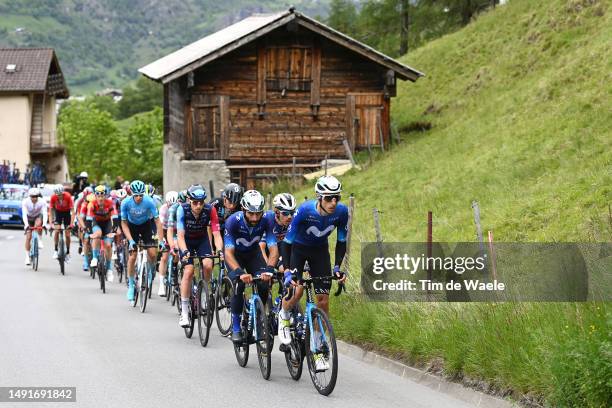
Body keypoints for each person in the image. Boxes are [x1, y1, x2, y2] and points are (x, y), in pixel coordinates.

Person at [278, 176, 348, 370]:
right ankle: (283, 315)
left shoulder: (342, 212)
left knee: (323, 300)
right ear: (319, 198)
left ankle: (317, 345)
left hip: (320, 251)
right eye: (329, 198)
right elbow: (287, 242)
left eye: (337, 197)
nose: (333, 202)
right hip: (298, 250)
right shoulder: (304, 210)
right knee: (297, 291)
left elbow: (341, 241)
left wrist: (337, 268)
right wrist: (288, 272)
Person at [224, 190, 278, 343]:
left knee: (263, 282)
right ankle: (235, 327)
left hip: (253, 253)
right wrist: (240, 272)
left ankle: (258, 313)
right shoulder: (233, 221)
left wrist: (269, 269)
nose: (255, 218)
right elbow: (228, 253)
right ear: (243, 210)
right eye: (251, 214)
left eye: (258, 214)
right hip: (235, 255)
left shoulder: (267, 219)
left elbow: (273, 249)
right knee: (238, 285)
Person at [176, 185, 223, 327]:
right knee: (189, 271)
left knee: (208, 264)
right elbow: (180, 236)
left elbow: (216, 234)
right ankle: (184, 313)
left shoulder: (210, 210)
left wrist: (220, 250)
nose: (198, 206)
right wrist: (184, 251)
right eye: (195, 202)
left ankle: (204, 291)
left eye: (201, 202)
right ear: (189, 200)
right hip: (187, 241)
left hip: (202, 240)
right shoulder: (182, 209)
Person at [120, 180, 164, 302]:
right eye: (136, 195)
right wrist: (130, 240)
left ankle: (149, 271)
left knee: (153, 253)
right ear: (132, 194)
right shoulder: (125, 203)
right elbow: (123, 223)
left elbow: (157, 221)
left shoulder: (149, 201)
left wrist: (160, 240)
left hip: (146, 226)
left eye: (141, 195)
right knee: (132, 256)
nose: (139, 198)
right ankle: (131, 285)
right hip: (131, 227)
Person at [86, 185, 119, 281]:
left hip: (107, 223)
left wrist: (113, 231)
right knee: (97, 234)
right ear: (95, 196)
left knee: (108, 245)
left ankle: (109, 269)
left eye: (102, 196)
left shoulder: (110, 203)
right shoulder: (91, 204)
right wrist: (89, 232)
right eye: (98, 196)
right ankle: (95, 258)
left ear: (105, 196)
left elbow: (115, 218)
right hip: (97, 223)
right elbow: (88, 220)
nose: (100, 198)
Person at [259, 193, 296, 269]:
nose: (289, 217)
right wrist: (267, 267)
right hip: (266, 251)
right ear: (277, 212)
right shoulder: (268, 219)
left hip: (283, 249)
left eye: (292, 213)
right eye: (285, 213)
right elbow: (261, 247)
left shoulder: (294, 219)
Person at [157, 190, 178, 296]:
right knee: (164, 257)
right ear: (167, 203)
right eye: (170, 205)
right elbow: (160, 224)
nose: (172, 208)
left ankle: (174, 269)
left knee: (177, 252)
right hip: (165, 231)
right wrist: (162, 239)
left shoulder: (179, 208)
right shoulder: (163, 209)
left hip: (176, 231)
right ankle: (161, 284)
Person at [22, 187, 47, 265]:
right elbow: (24, 214)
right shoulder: (25, 202)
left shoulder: (42, 202)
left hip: (37, 216)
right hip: (29, 218)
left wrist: (45, 224)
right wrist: (26, 225)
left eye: (36, 196)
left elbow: (45, 213)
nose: (34, 198)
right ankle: (27, 256)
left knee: (38, 224)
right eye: (33, 196)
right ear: (30, 196)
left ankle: (39, 240)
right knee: (28, 237)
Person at [48, 184, 74, 261]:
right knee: (57, 231)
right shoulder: (53, 197)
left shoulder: (68, 196)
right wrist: (50, 224)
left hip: (67, 213)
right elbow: (50, 211)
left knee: (67, 235)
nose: (59, 196)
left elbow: (72, 212)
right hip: (58, 213)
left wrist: (71, 224)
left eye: (60, 195)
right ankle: (55, 250)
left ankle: (68, 252)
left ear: (63, 193)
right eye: (57, 195)